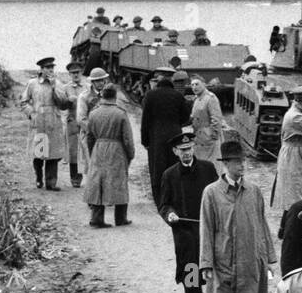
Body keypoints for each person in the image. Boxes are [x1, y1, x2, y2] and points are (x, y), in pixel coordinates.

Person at [199, 140, 276, 293]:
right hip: (224, 261)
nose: (241, 165)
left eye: (243, 161)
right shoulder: (212, 193)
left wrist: (270, 258)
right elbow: (206, 229)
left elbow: (262, 223)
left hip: (251, 260)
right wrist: (206, 264)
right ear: (225, 164)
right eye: (236, 162)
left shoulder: (253, 191)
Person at [159, 130, 220, 293]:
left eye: (189, 148)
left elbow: (218, 194)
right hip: (184, 231)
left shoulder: (208, 169)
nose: (187, 153)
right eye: (182, 150)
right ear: (175, 152)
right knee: (191, 269)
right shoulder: (169, 175)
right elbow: (164, 204)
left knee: (210, 266)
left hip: (207, 229)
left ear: (194, 148)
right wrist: (170, 215)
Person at [81, 83, 134, 229]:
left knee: (98, 182)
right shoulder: (120, 113)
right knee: (119, 181)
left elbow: (89, 136)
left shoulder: (94, 113)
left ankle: (96, 218)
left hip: (98, 147)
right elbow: (127, 138)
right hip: (117, 149)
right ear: (115, 96)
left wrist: (92, 152)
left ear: (102, 96)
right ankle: (120, 218)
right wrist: (130, 154)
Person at [20, 56, 72, 190]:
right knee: (38, 154)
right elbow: (23, 102)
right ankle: (38, 177)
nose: (50, 70)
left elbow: (63, 104)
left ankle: (51, 182)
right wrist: (31, 113)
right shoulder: (33, 83)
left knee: (53, 155)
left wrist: (55, 86)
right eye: (48, 68)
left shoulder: (58, 83)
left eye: (52, 68)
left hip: (53, 122)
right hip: (38, 122)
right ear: (41, 69)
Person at [140, 68, 188, 205]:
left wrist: (145, 141)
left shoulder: (150, 95)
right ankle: (175, 197)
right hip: (175, 135)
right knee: (174, 165)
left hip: (156, 137)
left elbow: (145, 121)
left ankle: (159, 199)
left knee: (157, 168)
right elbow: (185, 117)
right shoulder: (177, 96)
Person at [75, 66, 109, 175]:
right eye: (98, 80)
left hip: (105, 136)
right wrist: (94, 130)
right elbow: (81, 119)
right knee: (92, 168)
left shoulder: (108, 95)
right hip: (90, 135)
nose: (101, 83)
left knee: (105, 167)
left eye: (103, 80)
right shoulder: (84, 96)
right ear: (92, 82)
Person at [187, 74, 225, 163]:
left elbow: (216, 118)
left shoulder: (210, 98)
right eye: (192, 85)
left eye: (197, 84)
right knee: (201, 164)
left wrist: (213, 135)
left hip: (209, 138)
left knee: (211, 164)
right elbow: (194, 116)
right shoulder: (196, 99)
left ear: (204, 84)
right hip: (198, 137)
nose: (194, 87)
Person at [62, 62, 85, 187]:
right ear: (69, 74)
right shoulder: (66, 88)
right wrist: (68, 101)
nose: (76, 75)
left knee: (85, 149)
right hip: (72, 121)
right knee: (73, 151)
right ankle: (74, 178)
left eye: (78, 72)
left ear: (81, 73)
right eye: (73, 73)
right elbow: (61, 104)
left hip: (85, 122)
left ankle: (85, 176)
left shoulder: (87, 87)